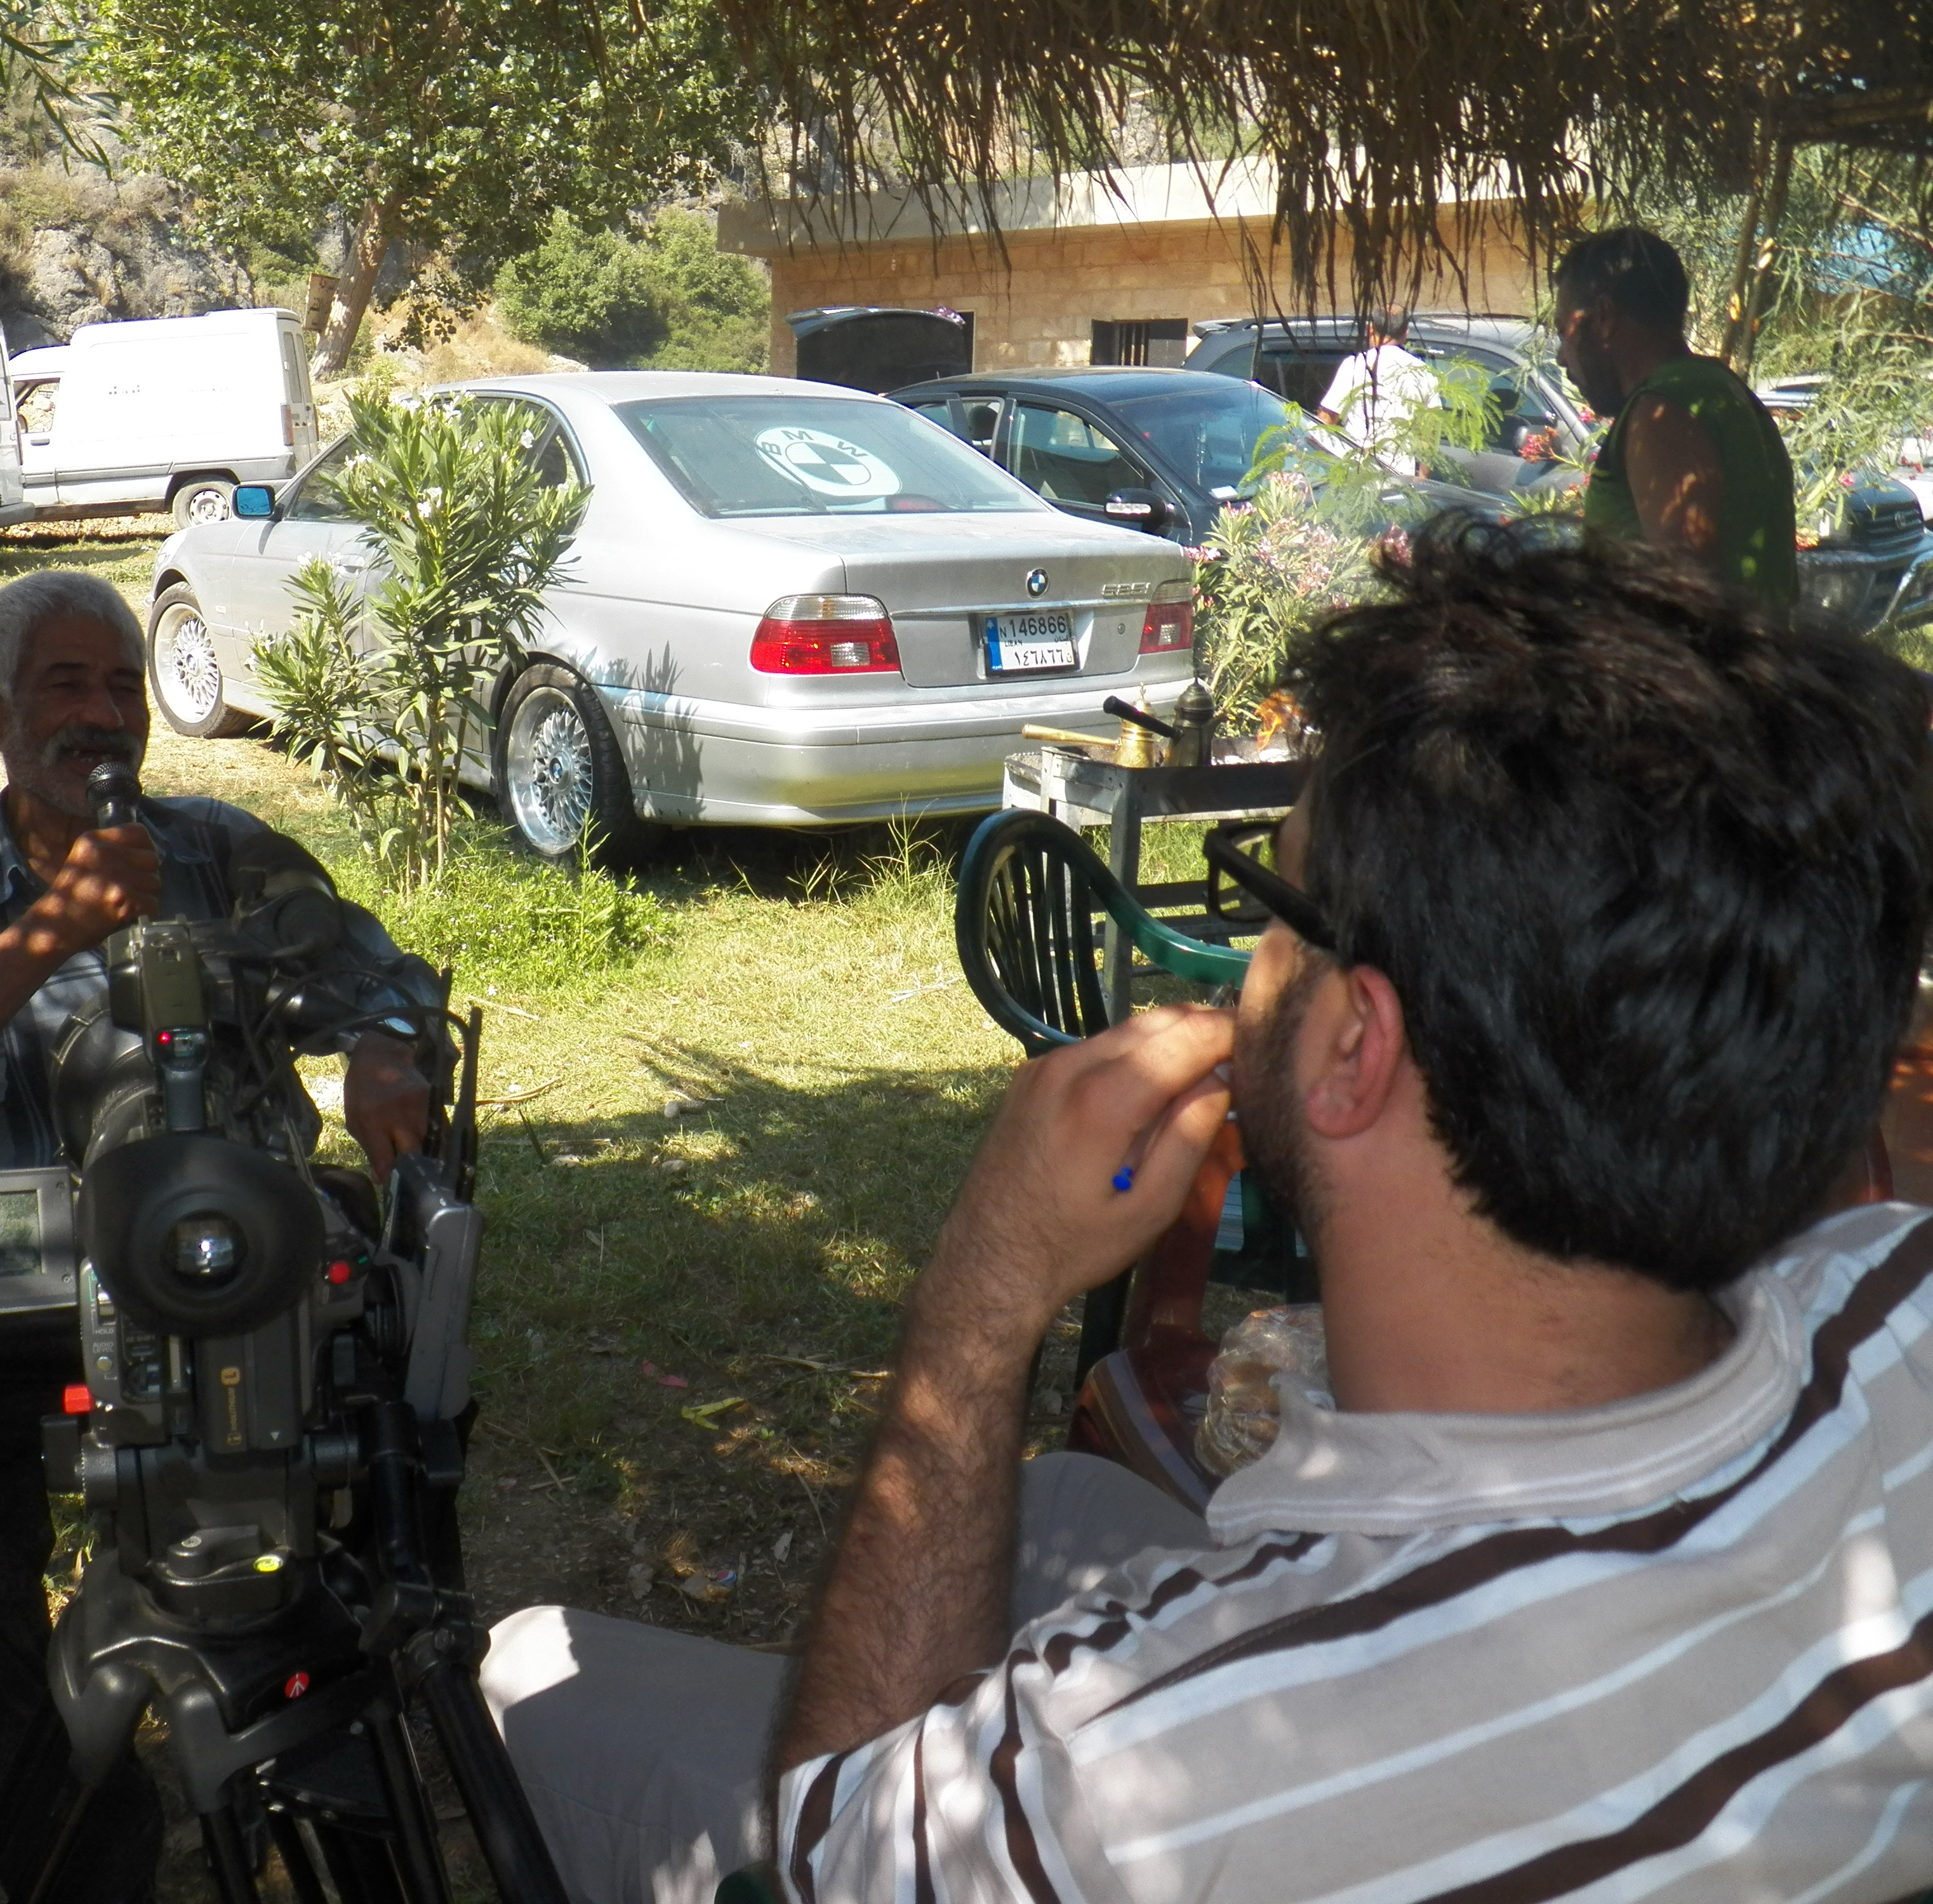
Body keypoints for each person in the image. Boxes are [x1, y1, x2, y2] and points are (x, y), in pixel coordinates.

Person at [481, 518, 1933, 1902]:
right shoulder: (1897, 1310)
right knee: (1058, 1498)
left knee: (518, 1665)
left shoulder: (1158, 1777)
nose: (1245, 960)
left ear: (1353, 1047)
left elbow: (829, 1862)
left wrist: (981, 1300)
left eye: (1266, 905)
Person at [0, 569, 435, 1903]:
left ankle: (344, 1709)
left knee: (374, 1385)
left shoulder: (217, 851)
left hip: (228, 1243)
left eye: (120, 687)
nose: (101, 718)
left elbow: (379, 975)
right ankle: (70, 1819)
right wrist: (51, 933)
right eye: (64, 686)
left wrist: (385, 1046)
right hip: (20, 1252)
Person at [1556, 225, 1800, 606]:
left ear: (1604, 317)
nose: (1561, 357)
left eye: (1564, 332)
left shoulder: (1663, 411)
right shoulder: (1719, 389)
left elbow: (1685, 598)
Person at [1313, 305, 1437, 476]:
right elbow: (1431, 432)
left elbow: (1326, 421)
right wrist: (1422, 477)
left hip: (1356, 471)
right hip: (1402, 475)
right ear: (1405, 334)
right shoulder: (1425, 373)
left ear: (1370, 329)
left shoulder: (1355, 365)